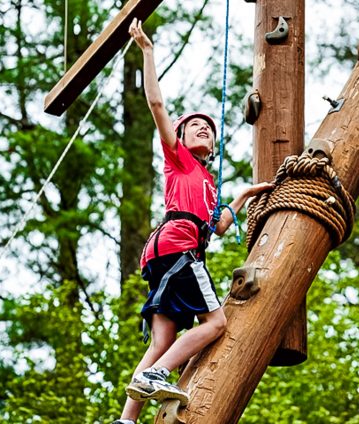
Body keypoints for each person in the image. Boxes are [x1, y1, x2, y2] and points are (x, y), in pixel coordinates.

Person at [112, 18, 273, 424]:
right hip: (179, 249)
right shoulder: (180, 163)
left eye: (208, 129)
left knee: (163, 338)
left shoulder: (206, 184)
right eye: (194, 126)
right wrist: (147, 52)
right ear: (181, 141)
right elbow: (157, 106)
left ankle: (124, 421)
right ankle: (157, 373)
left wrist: (243, 195)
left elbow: (217, 227)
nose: (203, 128)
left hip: (165, 251)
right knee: (216, 322)